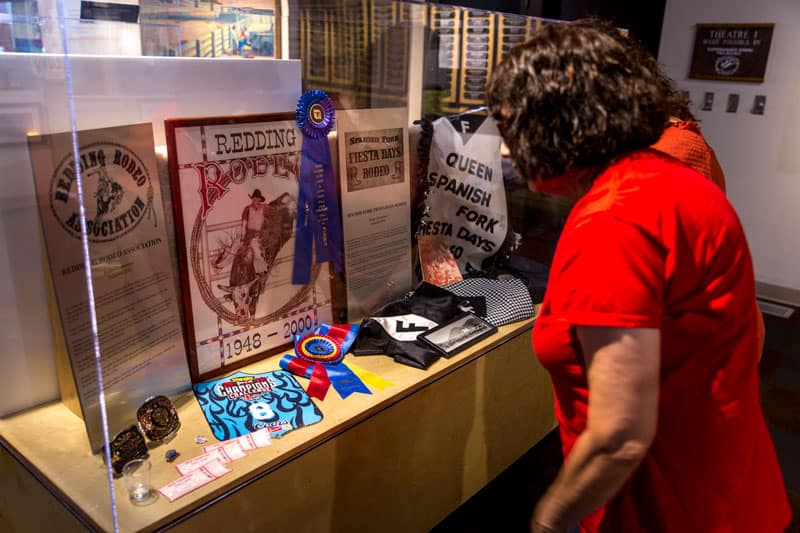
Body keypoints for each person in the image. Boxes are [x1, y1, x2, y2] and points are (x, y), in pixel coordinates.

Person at [487, 19, 791, 533]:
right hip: (731, 488)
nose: (503, 149)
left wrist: (549, 522)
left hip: (662, 507)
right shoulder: (672, 179)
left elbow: (619, 437)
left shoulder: (616, 217)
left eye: (510, 125)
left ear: (563, 122)